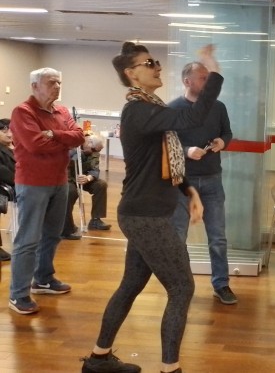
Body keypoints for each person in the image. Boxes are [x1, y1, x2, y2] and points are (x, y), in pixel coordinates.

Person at [81, 42, 223, 373]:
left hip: (145, 213)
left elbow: (160, 162)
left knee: (131, 285)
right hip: (145, 216)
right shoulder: (139, 111)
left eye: (156, 61)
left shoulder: (150, 108)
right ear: (131, 73)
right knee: (182, 287)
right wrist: (213, 70)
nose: (157, 67)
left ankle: (98, 360)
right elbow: (193, 114)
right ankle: (170, 368)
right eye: (149, 63)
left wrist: (188, 190)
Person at [8, 68, 85, 314]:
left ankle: (43, 279)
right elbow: (35, 145)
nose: (57, 86)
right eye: (51, 82)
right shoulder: (23, 112)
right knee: (28, 240)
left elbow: (79, 137)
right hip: (33, 183)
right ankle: (18, 294)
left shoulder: (62, 111)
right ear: (35, 86)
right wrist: (64, 140)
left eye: (59, 82)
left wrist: (53, 134)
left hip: (59, 182)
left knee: (52, 235)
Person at [168, 58, 236, 305]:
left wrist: (222, 142)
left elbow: (227, 132)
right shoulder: (173, 109)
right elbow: (167, 144)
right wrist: (187, 150)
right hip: (182, 182)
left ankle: (221, 284)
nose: (208, 83)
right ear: (187, 81)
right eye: (203, 78)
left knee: (218, 237)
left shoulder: (218, 107)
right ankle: (181, 285)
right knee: (178, 236)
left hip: (212, 179)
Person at [62, 133, 111, 240]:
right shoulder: (73, 144)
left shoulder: (94, 151)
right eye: (94, 150)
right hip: (67, 178)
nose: (95, 152)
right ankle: (66, 227)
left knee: (101, 185)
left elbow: (95, 170)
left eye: (98, 150)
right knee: (70, 192)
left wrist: (88, 178)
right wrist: (78, 153)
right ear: (88, 143)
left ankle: (96, 220)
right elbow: (63, 158)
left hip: (83, 178)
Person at [0, 118, 15, 261]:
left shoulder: (21, 146)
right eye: (5, 131)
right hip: (7, 186)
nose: (10, 134)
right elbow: (4, 173)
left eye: (11, 130)